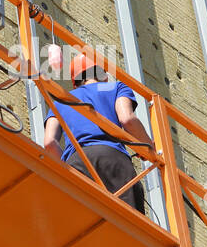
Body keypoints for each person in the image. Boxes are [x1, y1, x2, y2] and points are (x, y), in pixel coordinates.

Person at [41, 53, 151, 214]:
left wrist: (67, 169)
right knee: (131, 224)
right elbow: (127, 119)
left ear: (75, 82)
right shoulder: (115, 87)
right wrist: (149, 147)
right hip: (113, 160)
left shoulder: (61, 101)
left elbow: (49, 143)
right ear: (103, 74)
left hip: (77, 164)